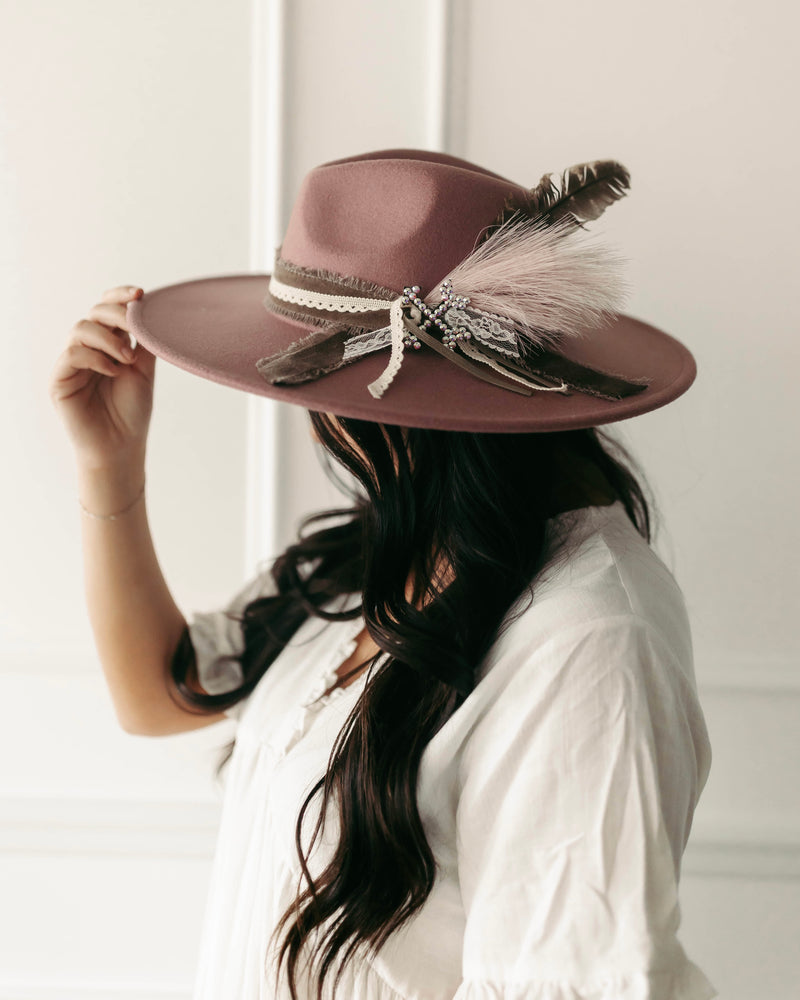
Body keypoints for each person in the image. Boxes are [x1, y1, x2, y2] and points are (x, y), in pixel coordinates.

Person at [49, 149, 717, 1000]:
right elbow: (161, 695)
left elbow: (578, 982)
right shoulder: (381, 550)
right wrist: (108, 467)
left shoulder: (590, 640)